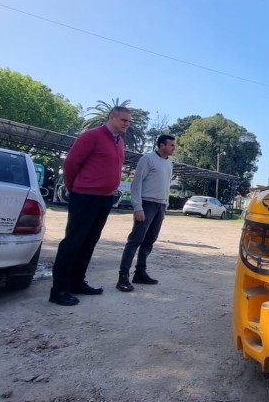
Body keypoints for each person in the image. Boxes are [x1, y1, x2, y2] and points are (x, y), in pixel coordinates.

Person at [48, 106, 132, 306]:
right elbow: (71, 163)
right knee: (73, 243)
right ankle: (58, 290)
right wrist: (73, 188)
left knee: (89, 242)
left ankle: (77, 283)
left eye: (129, 122)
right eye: (123, 120)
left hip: (105, 199)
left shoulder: (120, 142)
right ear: (111, 117)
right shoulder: (91, 136)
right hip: (84, 197)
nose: (126, 124)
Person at [116, 134, 176, 292]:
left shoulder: (169, 163)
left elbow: (166, 186)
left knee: (149, 241)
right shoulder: (148, 159)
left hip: (160, 206)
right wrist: (138, 207)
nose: (174, 148)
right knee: (135, 241)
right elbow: (136, 184)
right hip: (147, 204)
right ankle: (123, 277)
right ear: (161, 145)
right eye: (171, 145)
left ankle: (140, 272)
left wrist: (166, 205)